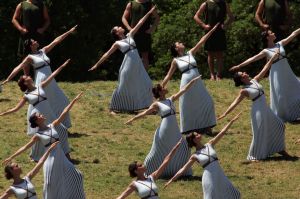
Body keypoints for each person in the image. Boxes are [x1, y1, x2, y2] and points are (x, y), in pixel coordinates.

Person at [3, 93, 85, 199]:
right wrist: (11, 157)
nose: (42, 115)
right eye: (39, 115)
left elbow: (63, 114)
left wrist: (74, 101)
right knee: (51, 184)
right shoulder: (38, 135)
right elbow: (25, 147)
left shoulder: (52, 125)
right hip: (50, 159)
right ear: (37, 120)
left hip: (61, 157)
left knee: (77, 175)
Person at [125, 76, 203, 178]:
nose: (165, 87)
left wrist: (193, 81)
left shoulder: (170, 100)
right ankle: (149, 170)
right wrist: (132, 119)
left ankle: (181, 170)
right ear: (160, 92)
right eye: (163, 87)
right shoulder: (156, 104)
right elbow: (145, 113)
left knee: (182, 146)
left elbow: (183, 90)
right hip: (165, 128)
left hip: (174, 127)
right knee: (162, 149)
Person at [1, 25, 77, 129]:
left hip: (51, 80)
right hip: (42, 80)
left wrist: (69, 32)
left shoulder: (43, 51)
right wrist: (8, 79)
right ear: (31, 46)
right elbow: (18, 67)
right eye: (34, 41)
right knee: (48, 103)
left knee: (62, 100)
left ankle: (61, 126)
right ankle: (49, 127)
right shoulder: (30, 57)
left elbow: (56, 41)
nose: (36, 41)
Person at [220, 52, 293, 161]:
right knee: (260, 132)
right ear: (241, 79)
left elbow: (265, 69)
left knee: (280, 125)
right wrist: (225, 113)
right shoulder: (244, 90)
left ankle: (279, 148)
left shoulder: (254, 80)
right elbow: (235, 102)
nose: (245, 72)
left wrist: (272, 58)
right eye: (242, 73)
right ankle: (255, 156)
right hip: (258, 111)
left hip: (266, 109)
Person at [0, 60, 71, 161]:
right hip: (39, 115)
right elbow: (16, 108)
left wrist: (62, 66)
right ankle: (36, 155)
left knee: (62, 130)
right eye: (27, 77)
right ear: (25, 82)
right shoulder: (26, 96)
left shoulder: (40, 86)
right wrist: (3, 113)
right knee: (40, 137)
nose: (29, 77)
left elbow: (52, 76)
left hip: (49, 113)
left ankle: (65, 152)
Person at [89, 8, 155, 114]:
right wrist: (96, 65)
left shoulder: (130, 35)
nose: (121, 27)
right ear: (117, 32)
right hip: (128, 66)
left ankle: (147, 107)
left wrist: (149, 13)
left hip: (137, 65)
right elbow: (106, 54)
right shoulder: (117, 44)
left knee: (147, 83)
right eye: (118, 27)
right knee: (123, 87)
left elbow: (140, 22)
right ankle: (113, 108)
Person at [229, 28, 300, 123]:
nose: (274, 33)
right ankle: (285, 116)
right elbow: (252, 59)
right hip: (276, 74)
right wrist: (239, 65)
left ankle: (296, 113)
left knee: (296, 87)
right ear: (267, 37)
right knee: (280, 95)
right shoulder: (266, 51)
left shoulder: (280, 43)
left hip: (286, 71)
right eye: (271, 33)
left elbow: (293, 34)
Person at [164, 113, 241, 199]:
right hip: (209, 177)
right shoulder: (195, 156)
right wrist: (171, 180)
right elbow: (183, 170)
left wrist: (231, 121)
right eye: (196, 135)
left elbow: (222, 133)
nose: (199, 135)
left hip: (219, 174)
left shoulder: (210, 144)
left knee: (233, 194)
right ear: (194, 140)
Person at [162, 23, 219, 135]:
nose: (182, 43)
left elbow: (201, 42)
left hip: (198, 82)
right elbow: (168, 75)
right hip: (186, 83)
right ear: (176, 48)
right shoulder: (175, 60)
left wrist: (211, 31)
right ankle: (192, 129)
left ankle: (207, 127)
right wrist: (161, 86)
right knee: (189, 105)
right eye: (179, 43)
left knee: (207, 102)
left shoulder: (190, 53)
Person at [116, 139, 183, 199]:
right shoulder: (134, 184)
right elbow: (122, 196)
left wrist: (175, 148)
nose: (143, 165)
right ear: (136, 171)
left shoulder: (151, 178)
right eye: (140, 165)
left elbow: (165, 162)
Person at [194, 0, 234, 80]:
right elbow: (196, 16)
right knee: (210, 53)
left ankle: (219, 75)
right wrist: (203, 25)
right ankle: (212, 75)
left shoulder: (224, 3)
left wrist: (225, 25)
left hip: (220, 31)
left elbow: (231, 17)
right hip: (209, 31)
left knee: (220, 54)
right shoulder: (206, 4)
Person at [122, 0, 160, 69]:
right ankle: (133, 76)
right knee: (131, 55)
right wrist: (130, 29)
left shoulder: (149, 4)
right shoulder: (131, 4)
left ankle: (144, 77)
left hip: (145, 34)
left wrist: (152, 28)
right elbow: (123, 18)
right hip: (133, 34)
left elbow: (157, 18)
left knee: (145, 56)